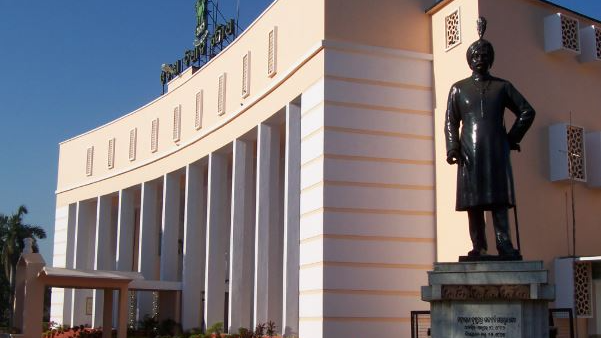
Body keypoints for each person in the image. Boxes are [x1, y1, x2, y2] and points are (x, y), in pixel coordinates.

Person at [445, 17, 535, 260]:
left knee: (498, 201)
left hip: (496, 149)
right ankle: (478, 245)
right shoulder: (458, 89)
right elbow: (451, 121)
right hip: (469, 152)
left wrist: (511, 138)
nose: (480, 58)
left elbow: (527, 111)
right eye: (476, 54)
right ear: (469, 59)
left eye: (485, 54)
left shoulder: (503, 87)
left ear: (491, 58)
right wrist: (452, 147)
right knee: (473, 203)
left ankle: (504, 244)